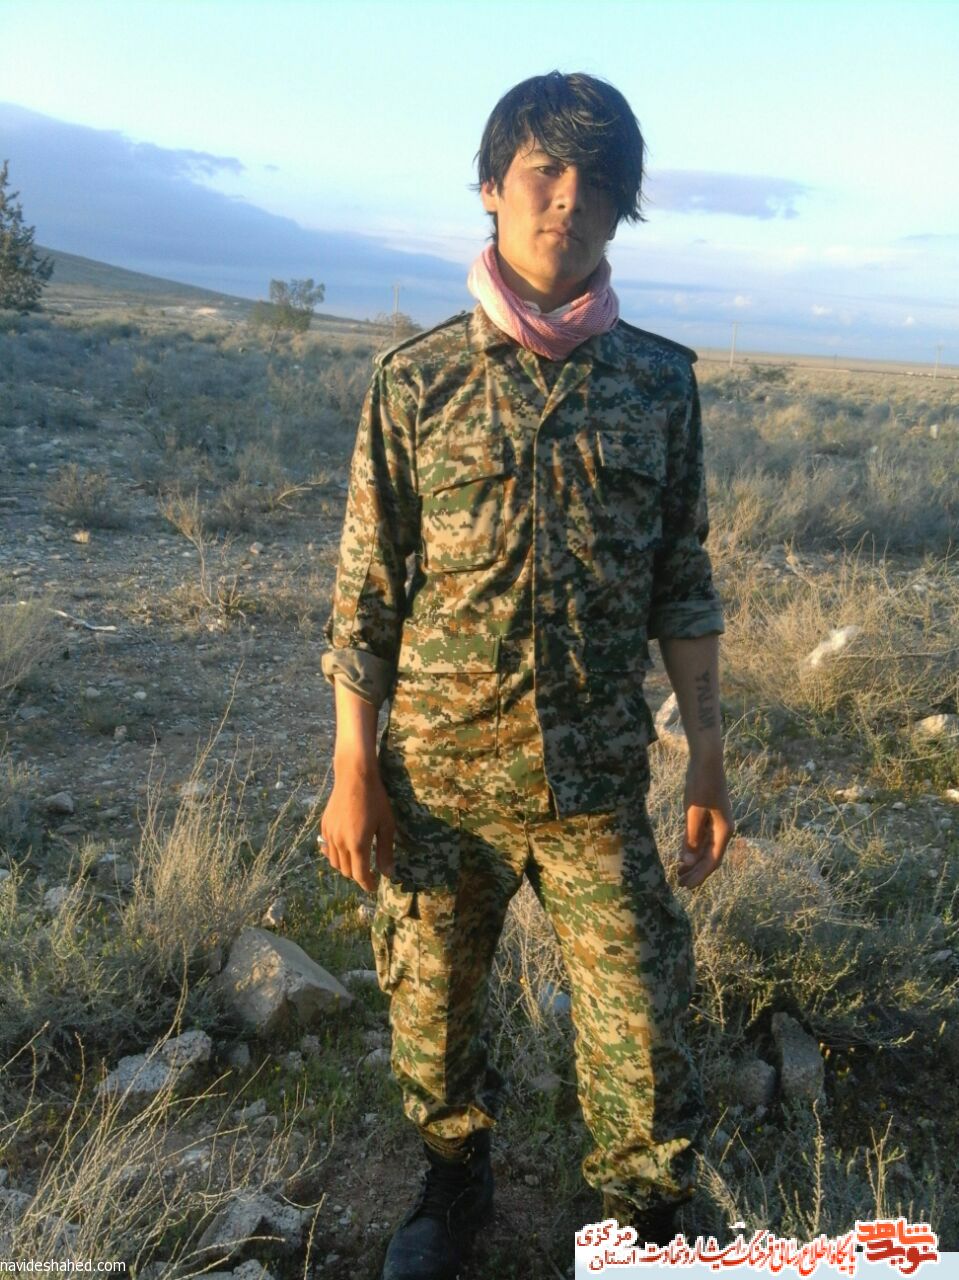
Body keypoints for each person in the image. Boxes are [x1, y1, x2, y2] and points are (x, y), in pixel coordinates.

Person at [318, 70, 734, 1280]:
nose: (567, 198)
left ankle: (636, 1219)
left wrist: (706, 753)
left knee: (641, 1020)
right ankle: (452, 1182)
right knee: (431, 1008)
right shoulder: (415, 382)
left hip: (594, 778)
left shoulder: (657, 384)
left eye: (596, 179)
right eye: (542, 170)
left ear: (620, 208)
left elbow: (681, 579)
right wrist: (352, 765)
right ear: (491, 187)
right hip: (440, 779)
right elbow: (365, 593)